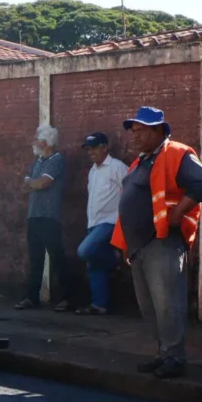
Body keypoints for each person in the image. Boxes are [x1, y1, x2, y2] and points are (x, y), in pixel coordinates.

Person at [111, 106, 202, 379]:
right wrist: (125, 243)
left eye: (140, 130)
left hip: (163, 242)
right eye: (132, 130)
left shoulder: (177, 152)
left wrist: (177, 214)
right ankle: (163, 354)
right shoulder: (141, 161)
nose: (134, 135)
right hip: (139, 246)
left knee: (168, 302)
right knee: (150, 306)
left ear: (158, 130)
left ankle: (175, 358)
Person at [15, 125, 71, 312]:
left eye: (36, 138)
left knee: (57, 256)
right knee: (35, 258)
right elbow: (27, 187)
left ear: (45, 142)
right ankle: (32, 298)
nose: (34, 142)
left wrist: (32, 183)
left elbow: (42, 183)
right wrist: (33, 184)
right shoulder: (37, 161)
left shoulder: (56, 160)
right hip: (34, 215)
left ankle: (66, 298)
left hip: (49, 215)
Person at [74, 132, 127, 315]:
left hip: (111, 221)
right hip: (94, 222)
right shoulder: (93, 171)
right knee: (93, 263)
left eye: (94, 148)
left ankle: (114, 261)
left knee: (85, 250)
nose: (91, 152)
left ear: (105, 147)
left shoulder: (117, 167)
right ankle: (99, 304)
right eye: (88, 149)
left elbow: (130, 190)